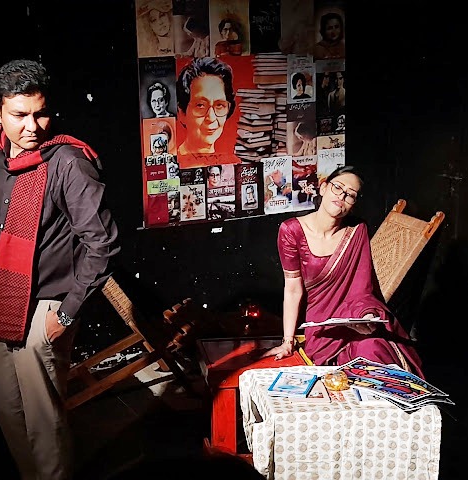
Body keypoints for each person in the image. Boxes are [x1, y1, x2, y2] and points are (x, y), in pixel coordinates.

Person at [0, 59, 120, 480]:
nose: (32, 127)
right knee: (6, 407)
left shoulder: (69, 163)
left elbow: (102, 244)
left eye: (40, 113)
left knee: (43, 419)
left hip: (44, 307)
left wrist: (66, 314)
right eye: (19, 115)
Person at [266, 165, 424, 377]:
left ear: (353, 204)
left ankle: (393, 395)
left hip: (355, 318)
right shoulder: (291, 230)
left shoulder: (357, 230)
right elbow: (293, 289)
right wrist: (288, 341)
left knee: (373, 348)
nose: (342, 196)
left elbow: (362, 288)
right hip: (321, 325)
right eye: (338, 187)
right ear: (323, 188)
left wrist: (366, 316)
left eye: (350, 195)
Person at [176, 57, 236, 160]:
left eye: (219, 105)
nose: (211, 118)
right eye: (200, 105)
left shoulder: (231, 162)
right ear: (182, 112)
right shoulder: (173, 163)